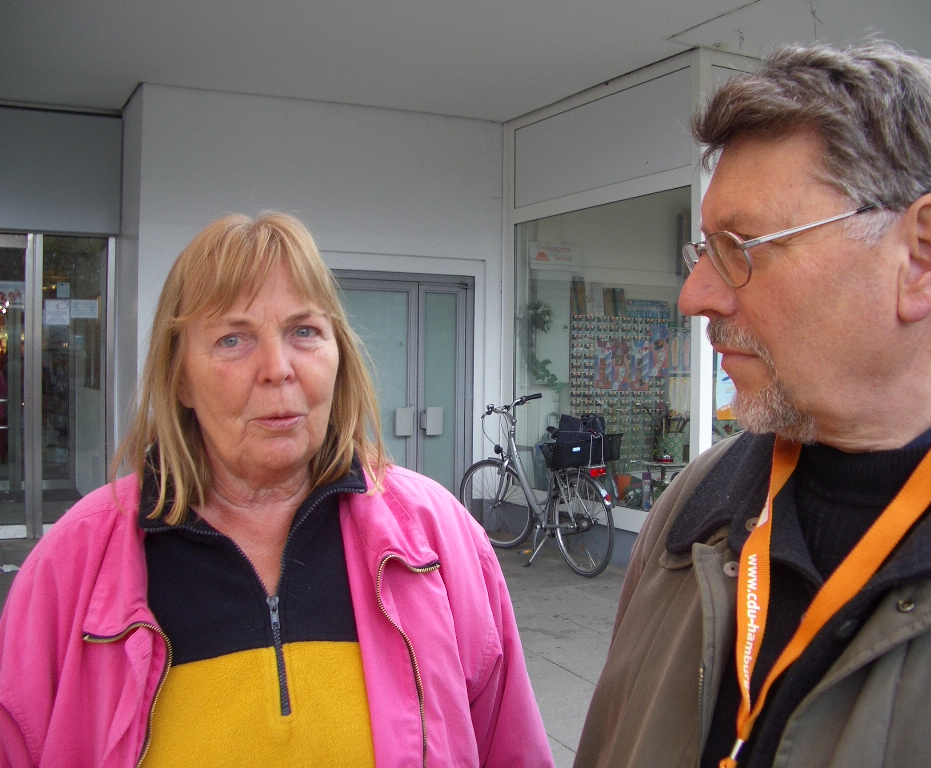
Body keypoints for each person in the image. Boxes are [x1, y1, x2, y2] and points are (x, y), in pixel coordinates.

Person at [576, 40, 931, 768]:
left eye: (742, 247)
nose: (695, 296)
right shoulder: (695, 508)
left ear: (924, 256)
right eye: (704, 251)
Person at [0, 213, 553, 767]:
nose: (277, 368)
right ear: (180, 377)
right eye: (232, 338)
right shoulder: (72, 567)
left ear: (338, 353)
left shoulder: (439, 539)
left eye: (303, 331)